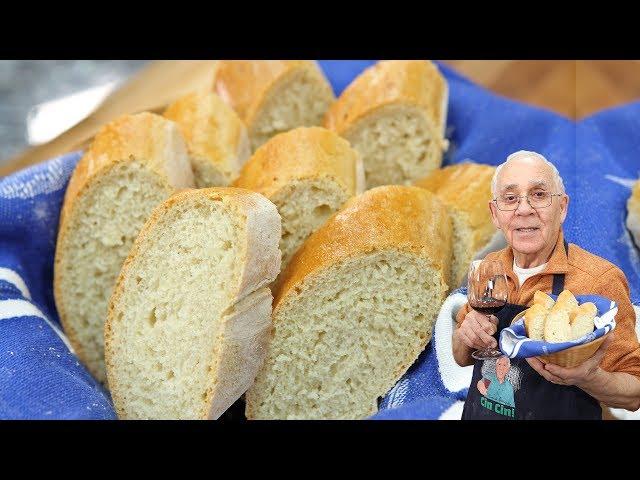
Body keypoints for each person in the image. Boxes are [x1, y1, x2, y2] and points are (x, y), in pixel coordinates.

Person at [454, 150, 640, 420]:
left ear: (562, 207)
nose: (524, 208)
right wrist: (464, 337)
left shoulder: (600, 279)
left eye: (539, 195)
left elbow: (634, 393)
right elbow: (462, 357)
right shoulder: (488, 267)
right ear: (495, 214)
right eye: (510, 198)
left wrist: (588, 377)